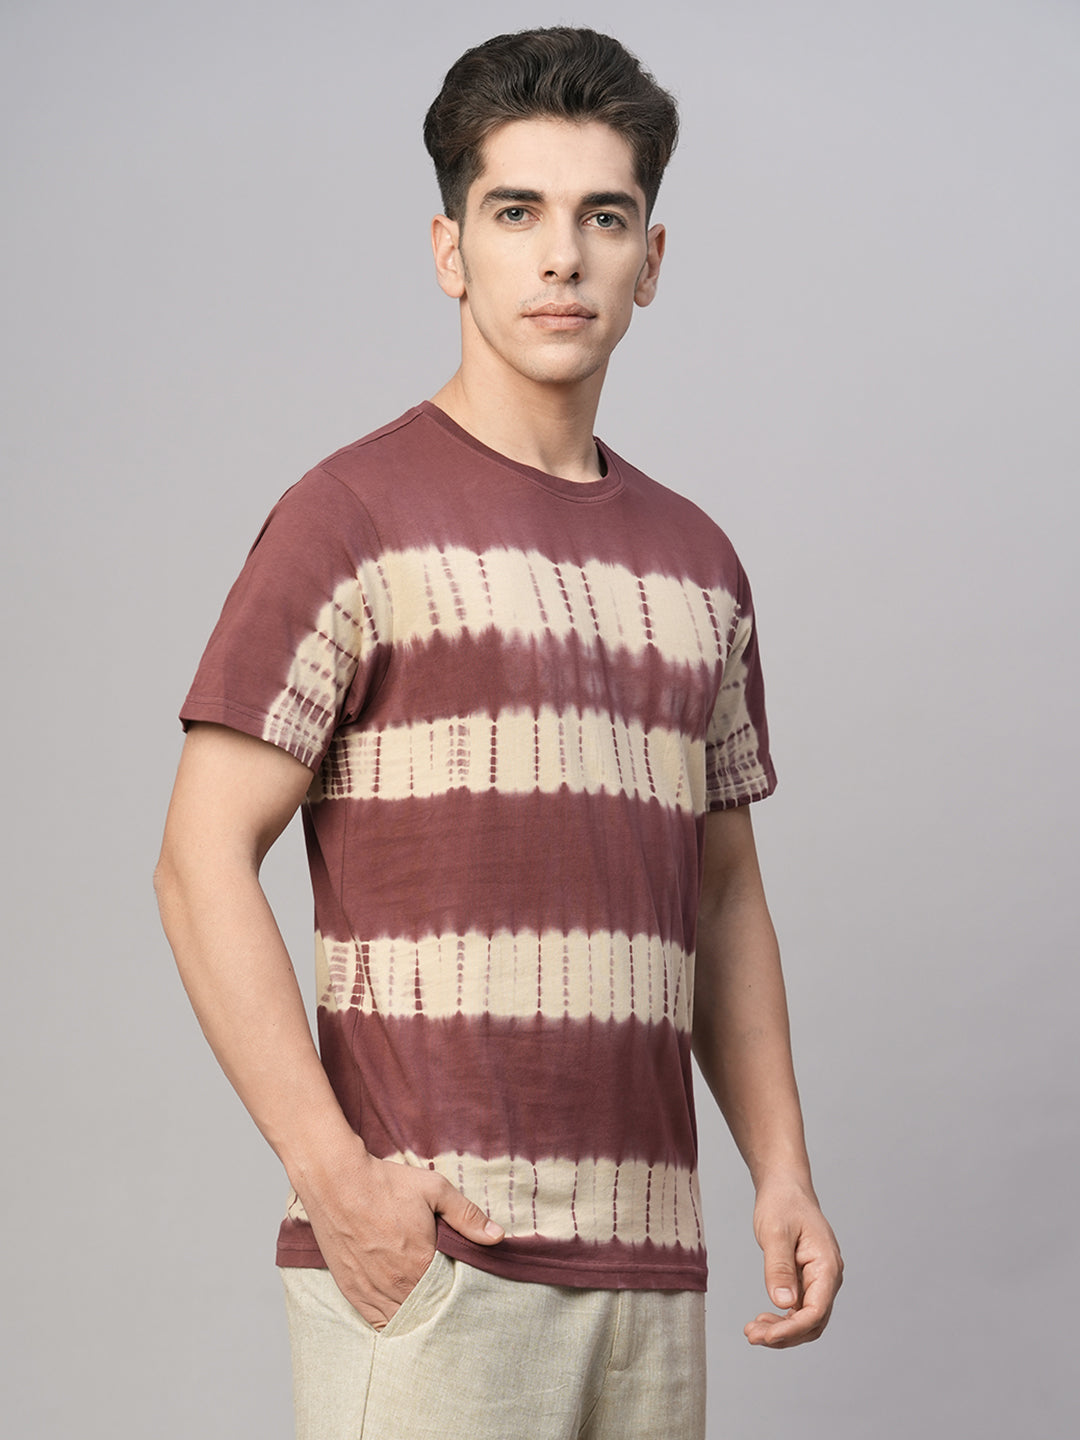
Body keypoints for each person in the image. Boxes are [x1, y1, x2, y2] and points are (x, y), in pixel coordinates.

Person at [155, 25, 842, 1440]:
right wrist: (335, 1180)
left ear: (652, 259)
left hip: (649, 1269)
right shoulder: (349, 518)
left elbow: (720, 893)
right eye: (515, 211)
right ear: (449, 250)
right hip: (437, 1264)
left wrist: (781, 1168)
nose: (562, 257)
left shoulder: (700, 564)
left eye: (605, 217)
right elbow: (196, 860)